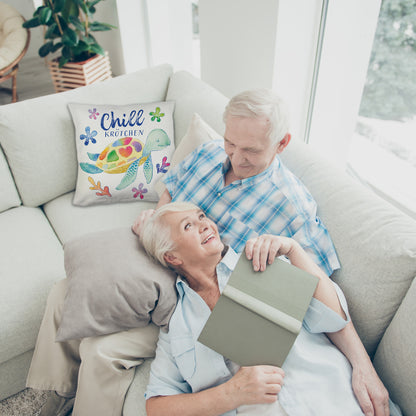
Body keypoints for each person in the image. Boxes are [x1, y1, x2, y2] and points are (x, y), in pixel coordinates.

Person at [133, 89, 389, 414]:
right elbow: (172, 188)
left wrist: (363, 366)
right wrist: (158, 226)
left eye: (250, 150)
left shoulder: (287, 219)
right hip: (169, 289)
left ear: (281, 144)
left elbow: (323, 301)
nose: (236, 158)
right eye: (231, 143)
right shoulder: (209, 154)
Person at [140, 202, 398, 416]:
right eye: (188, 226)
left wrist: (294, 250)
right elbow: (157, 407)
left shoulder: (261, 261)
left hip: (338, 401)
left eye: (201, 216)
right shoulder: (177, 326)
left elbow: (333, 318)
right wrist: (231, 393)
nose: (205, 224)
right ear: (172, 257)